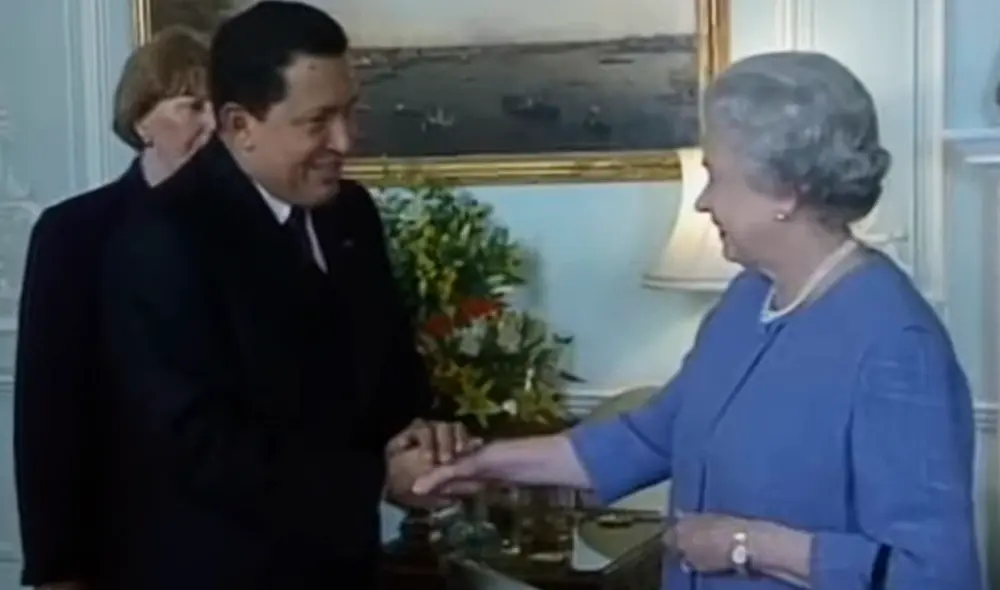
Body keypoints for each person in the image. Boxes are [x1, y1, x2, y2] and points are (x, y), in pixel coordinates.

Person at [413, 51, 985, 590]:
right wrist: (486, 462)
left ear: (786, 188)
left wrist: (750, 544)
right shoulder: (747, 298)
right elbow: (647, 437)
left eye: (716, 176)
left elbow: (935, 573)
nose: (703, 202)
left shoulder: (894, 345)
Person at [96, 3, 470, 589]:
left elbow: (388, 366)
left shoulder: (351, 213)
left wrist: (422, 430)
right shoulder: (161, 238)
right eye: (318, 121)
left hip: (346, 566)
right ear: (240, 125)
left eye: (350, 112)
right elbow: (199, 446)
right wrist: (377, 478)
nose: (346, 141)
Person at [14, 26, 214, 590]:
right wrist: (55, 569)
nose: (212, 125)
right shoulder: (74, 233)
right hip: (119, 546)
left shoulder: (250, 231)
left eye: (220, 108)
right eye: (192, 105)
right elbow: (46, 415)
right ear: (142, 119)